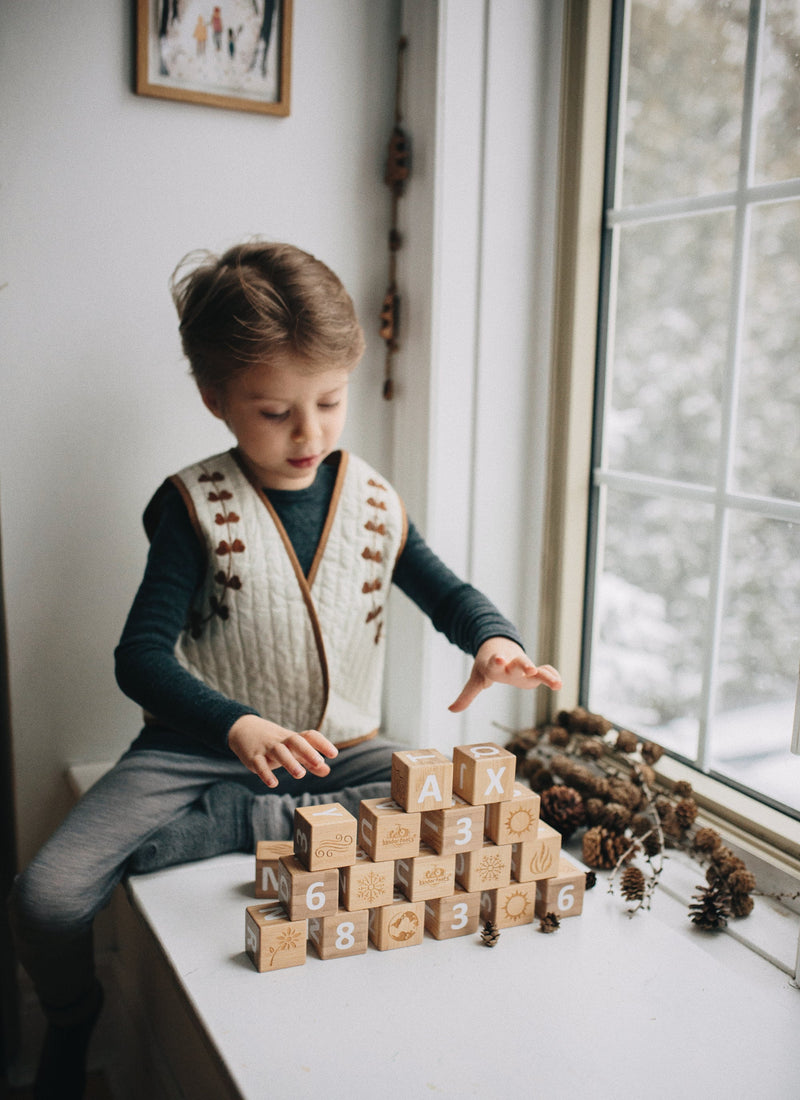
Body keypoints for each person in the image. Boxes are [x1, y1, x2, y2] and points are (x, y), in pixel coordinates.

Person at [8, 241, 561, 1099]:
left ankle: (244, 820)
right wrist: (235, 724)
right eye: (274, 412)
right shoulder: (191, 505)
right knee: (46, 894)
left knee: (460, 807)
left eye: (330, 403)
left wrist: (494, 642)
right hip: (194, 749)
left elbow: (445, 592)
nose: (309, 434)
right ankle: (75, 1023)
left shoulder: (374, 500)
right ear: (217, 399)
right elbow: (140, 658)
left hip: (343, 750)